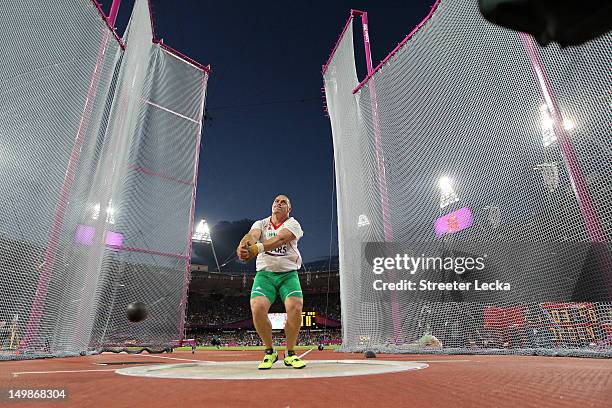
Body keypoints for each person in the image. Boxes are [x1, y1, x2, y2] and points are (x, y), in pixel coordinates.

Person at [236, 194, 306, 369]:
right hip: (265, 274)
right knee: (257, 308)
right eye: (276, 201)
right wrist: (243, 246)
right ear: (272, 205)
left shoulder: (293, 224)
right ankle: (270, 351)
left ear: (289, 209)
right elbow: (252, 235)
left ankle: (290, 353)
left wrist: (257, 248)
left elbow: (281, 238)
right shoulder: (261, 223)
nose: (279, 204)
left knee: (295, 307)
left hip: (288, 274)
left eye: (284, 202)